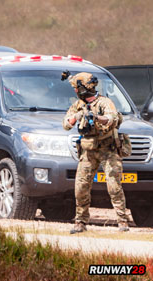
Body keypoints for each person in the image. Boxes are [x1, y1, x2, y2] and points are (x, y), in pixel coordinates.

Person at [62, 71, 129, 233]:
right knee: (81, 187)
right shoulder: (78, 105)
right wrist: (78, 115)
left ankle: (123, 222)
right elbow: (66, 124)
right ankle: (80, 222)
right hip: (88, 150)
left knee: (114, 186)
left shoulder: (105, 102)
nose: (76, 92)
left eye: (77, 89)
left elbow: (112, 118)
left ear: (84, 88)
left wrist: (97, 117)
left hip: (108, 149)